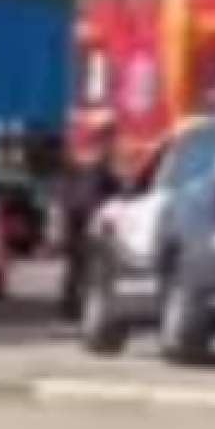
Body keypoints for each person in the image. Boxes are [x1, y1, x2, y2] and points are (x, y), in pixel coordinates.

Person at [59, 117, 123, 319]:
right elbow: (107, 191)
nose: (112, 139)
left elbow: (67, 190)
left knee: (78, 264)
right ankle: (76, 306)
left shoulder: (81, 159)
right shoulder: (99, 161)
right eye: (109, 134)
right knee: (86, 264)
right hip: (87, 217)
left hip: (77, 215)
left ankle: (71, 306)